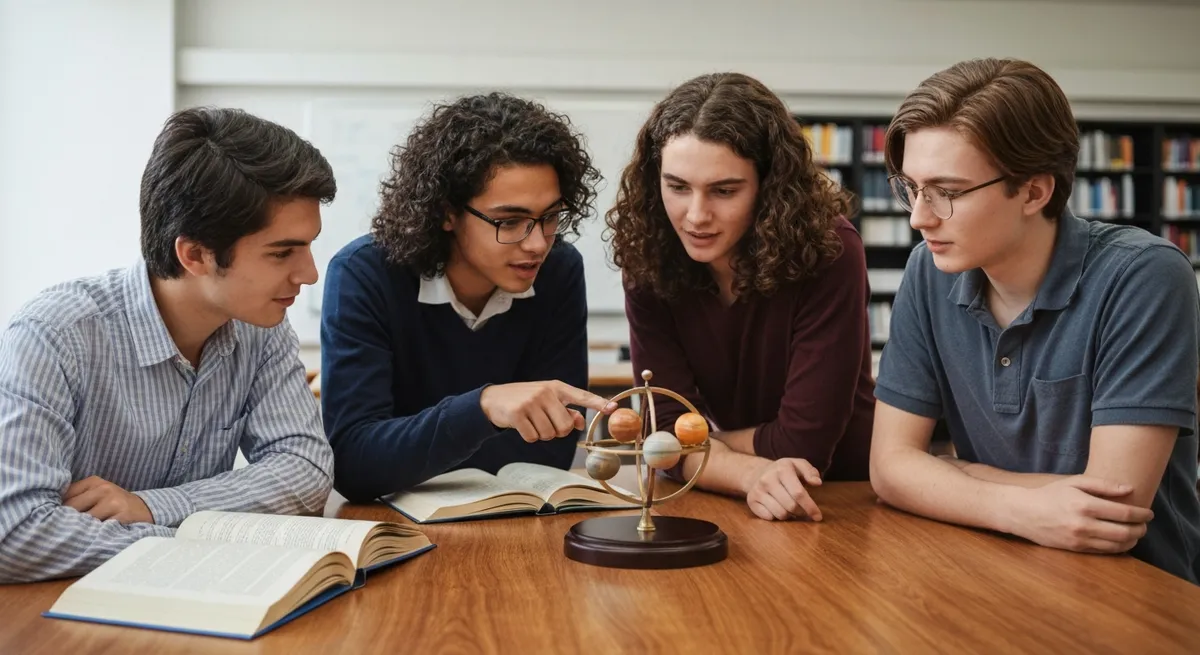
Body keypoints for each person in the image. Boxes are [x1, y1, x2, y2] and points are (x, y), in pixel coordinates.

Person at [869, 57, 1200, 583]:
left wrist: (946, 473)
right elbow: (889, 469)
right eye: (910, 186)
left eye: (948, 192)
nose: (919, 216)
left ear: (1034, 190)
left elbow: (1108, 512)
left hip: (1140, 590)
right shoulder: (927, 271)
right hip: (999, 568)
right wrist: (1018, 508)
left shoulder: (1145, 275)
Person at [0, 107, 336, 583]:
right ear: (194, 254)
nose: (309, 274)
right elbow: (13, 533)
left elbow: (304, 468)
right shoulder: (54, 336)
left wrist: (152, 507)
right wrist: (201, 544)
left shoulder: (263, 328)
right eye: (282, 253)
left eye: (308, 246)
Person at [605, 72, 876, 522]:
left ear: (769, 187)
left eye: (724, 191)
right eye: (677, 186)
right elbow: (663, 427)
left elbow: (800, 445)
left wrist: (693, 444)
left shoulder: (831, 251)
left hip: (839, 494)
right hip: (726, 491)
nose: (695, 216)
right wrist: (736, 468)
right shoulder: (648, 253)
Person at [321, 93, 616, 503]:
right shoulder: (365, 273)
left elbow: (552, 448)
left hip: (513, 519)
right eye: (509, 221)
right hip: (391, 526)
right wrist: (484, 409)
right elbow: (354, 463)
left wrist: (410, 449)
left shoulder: (559, 272)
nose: (536, 244)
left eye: (550, 217)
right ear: (446, 213)